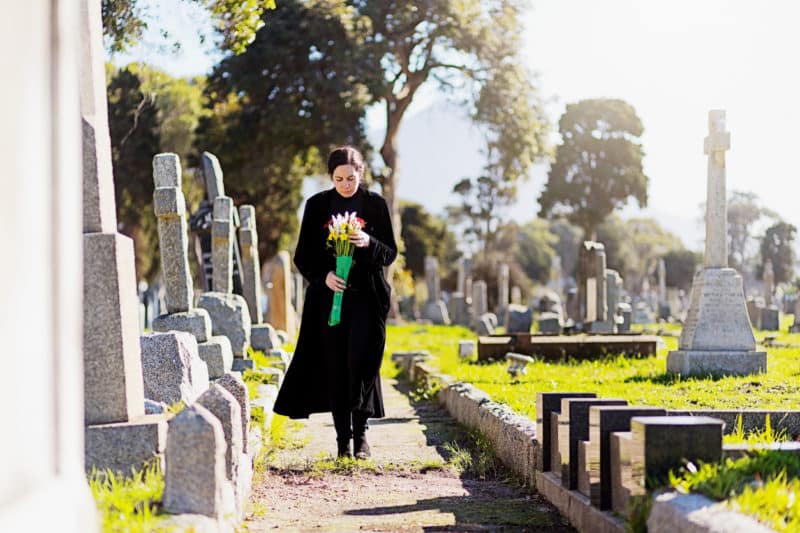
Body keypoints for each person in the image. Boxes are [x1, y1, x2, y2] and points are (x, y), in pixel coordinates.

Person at [274, 145, 397, 459]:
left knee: (362, 362)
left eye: (351, 178)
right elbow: (303, 256)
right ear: (331, 177)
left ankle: (362, 436)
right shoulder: (317, 206)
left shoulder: (375, 204)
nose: (345, 184)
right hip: (329, 300)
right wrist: (324, 275)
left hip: (368, 299)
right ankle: (343, 442)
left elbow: (390, 252)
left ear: (361, 173)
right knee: (337, 367)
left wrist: (369, 242)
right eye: (339, 178)